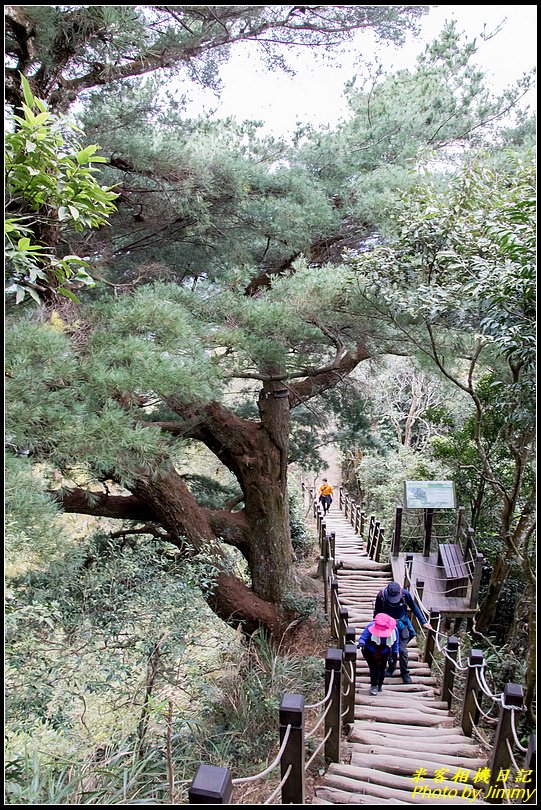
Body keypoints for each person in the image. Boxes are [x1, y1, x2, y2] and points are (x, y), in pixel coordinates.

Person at [374, 581, 431, 684]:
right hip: (387, 626)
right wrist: (376, 627)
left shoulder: (405, 594)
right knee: (389, 647)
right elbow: (377, 613)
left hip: (402, 625)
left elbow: (414, 608)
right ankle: (391, 668)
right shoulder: (381, 597)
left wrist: (423, 622)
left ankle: (404, 672)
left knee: (402, 650)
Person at [357, 613, 399, 696]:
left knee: (382, 668)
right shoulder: (370, 626)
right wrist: (361, 643)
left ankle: (380, 684)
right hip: (370, 651)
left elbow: (395, 643)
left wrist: (394, 654)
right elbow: (363, 637)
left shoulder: (394, 630)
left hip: (384, 652)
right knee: (373, 668)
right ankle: (374, 685)